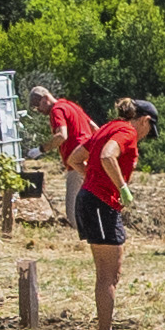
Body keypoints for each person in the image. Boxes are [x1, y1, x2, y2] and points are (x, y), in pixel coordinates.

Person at [67, 98, 159, 330]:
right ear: (144, 120)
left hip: (93, 201)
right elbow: (108, 155)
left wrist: (95, 179)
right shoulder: (127, 131)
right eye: (149, 130)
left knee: (110, 273)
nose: (145, 136)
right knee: (108, 275)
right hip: (99, 205)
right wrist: (121, 187)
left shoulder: (107, 127)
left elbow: (75, 159)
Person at [27, 86, 98, 228]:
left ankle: (82, 237)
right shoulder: (71, 106)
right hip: (90, 157)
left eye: (38, 106)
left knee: (72, 209)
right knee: (90, 200)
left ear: (45, 98)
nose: (39, 111)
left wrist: (40, 149)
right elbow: (94, 128)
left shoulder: (56, 110)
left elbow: (61, 135)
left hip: (76, 161)